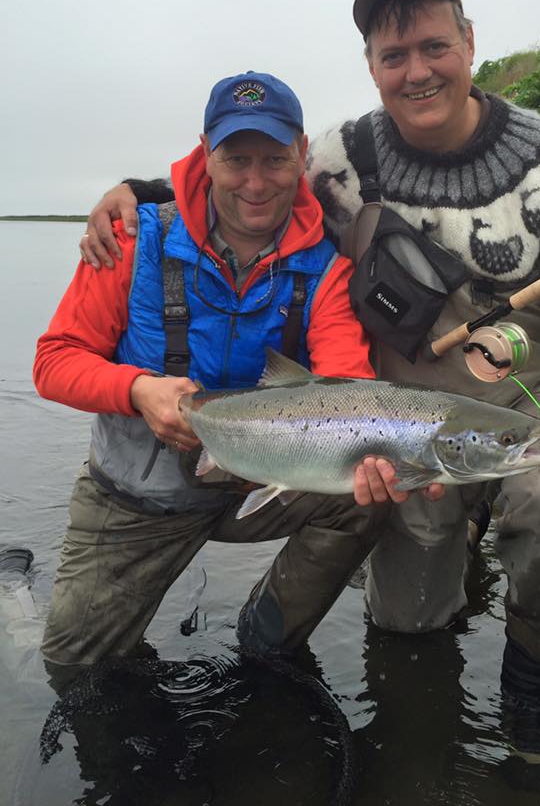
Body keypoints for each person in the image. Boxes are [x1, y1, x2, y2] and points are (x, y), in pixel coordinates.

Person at [79, 0, 540, 761]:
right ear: (373, 68)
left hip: (522, 388)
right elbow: (244, 178)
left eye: (433, 47)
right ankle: (429, 678)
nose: (417, 71)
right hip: (385, 404)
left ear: (469, 42)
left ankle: (533, 713)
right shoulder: (342, 159)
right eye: (394, 56)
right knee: (408, 622)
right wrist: (136, 193)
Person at [33, 71, 391, 679]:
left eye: (275, 160)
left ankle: (266, 643)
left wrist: (385, 455)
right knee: (72, 669)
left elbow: (347, 388)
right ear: (206, 153)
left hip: (254, 488)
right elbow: (54, 360)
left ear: (301, 156)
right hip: (135, 502)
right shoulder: (129, 237)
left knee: (367, 498)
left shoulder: (325, 271)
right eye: (236, 159)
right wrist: (137, 390)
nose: (255, 181)